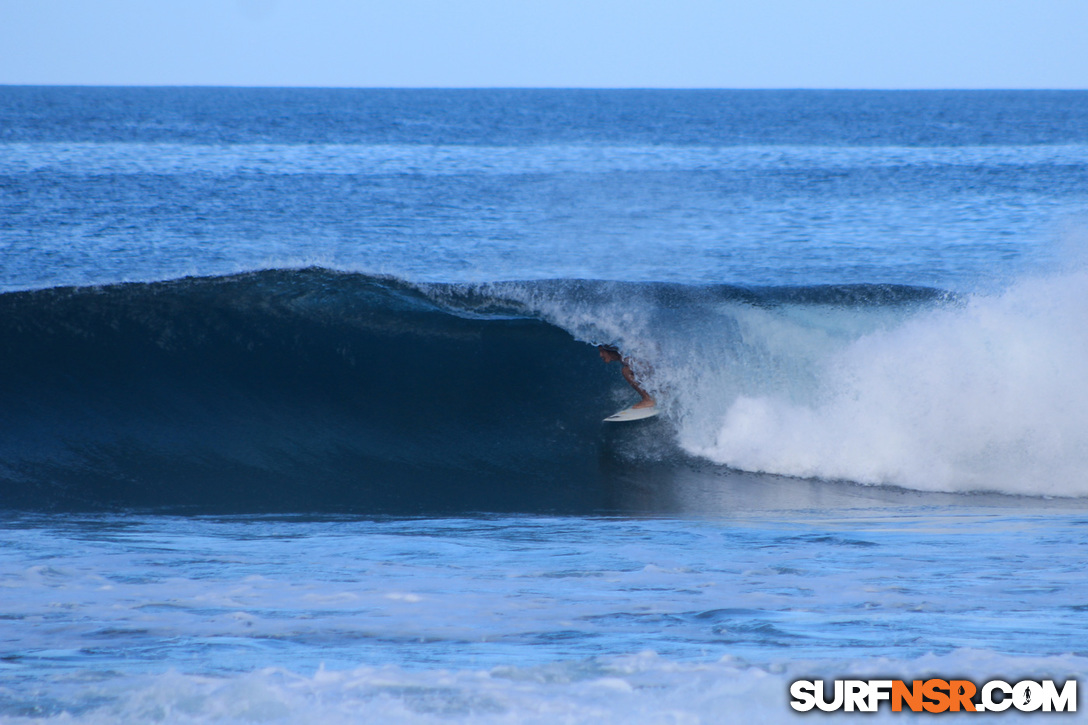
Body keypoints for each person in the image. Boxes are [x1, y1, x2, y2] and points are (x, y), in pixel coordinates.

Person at [598, 345, 655, 409]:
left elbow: (647, 367)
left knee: (626, 371)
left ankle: (648, 399)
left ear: (610, 351)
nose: (601, 355)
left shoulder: (626, 358)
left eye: (602, 351)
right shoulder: (625, 355)